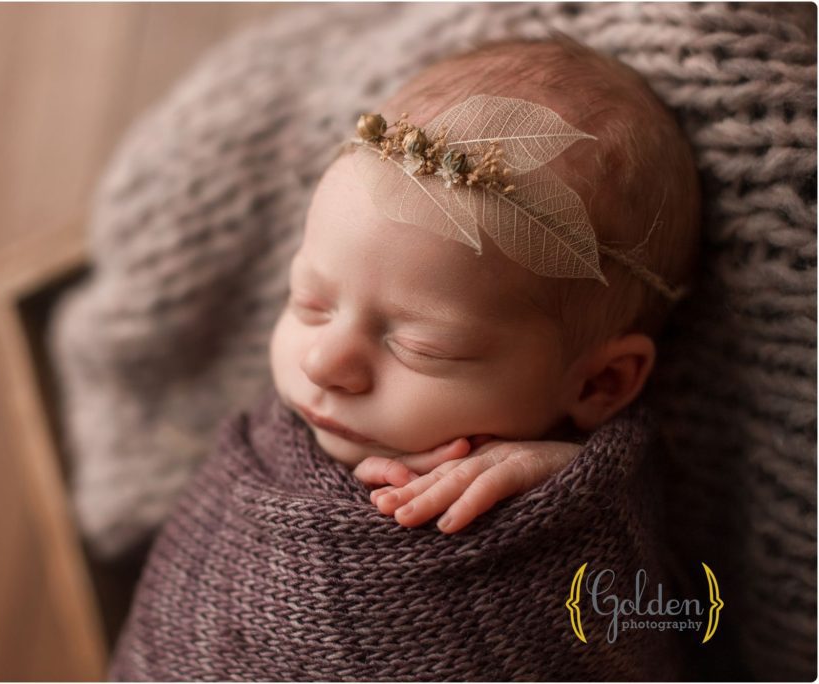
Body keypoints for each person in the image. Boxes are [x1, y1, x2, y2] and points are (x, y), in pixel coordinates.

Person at [109, 34, 701, 681]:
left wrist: (568, 484)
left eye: (420, 346)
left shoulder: (587, 523)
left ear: (601, 382)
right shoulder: (266, 450)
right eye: (309, 302)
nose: (325, 362)